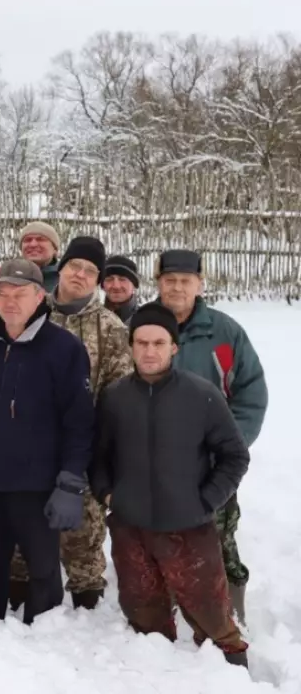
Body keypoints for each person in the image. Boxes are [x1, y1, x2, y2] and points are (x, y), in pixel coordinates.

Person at [92, 303, 250, 667]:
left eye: (158, 343)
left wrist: (206, 500)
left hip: (189, 526)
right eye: (142, 342)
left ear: (173, 347)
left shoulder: (202, 395)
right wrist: (108, 493)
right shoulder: (114, 397)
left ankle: (233, 678)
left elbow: (234, 456)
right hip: (132, 526)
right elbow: (98, 456)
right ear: (131, 345)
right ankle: (158, 674)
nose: (149, 351)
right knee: (141, 609)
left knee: (211, 611)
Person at [0, 259, 94, 624]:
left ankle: (43, 637)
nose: (10, 301)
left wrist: (70, 481)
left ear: (39, 296)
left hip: (38, 486)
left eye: (19, 293)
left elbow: (79, 422)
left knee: (42, 569)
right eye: (2, 293)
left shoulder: (64, 349)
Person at [10, 236, 132, 612]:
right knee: (21, 533)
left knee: (82, 535)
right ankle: (17, 592)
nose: (80, 275)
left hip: (81, 450)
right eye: (74, 266)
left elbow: (118, 397)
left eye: (90, 271)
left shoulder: (110, 329)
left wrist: (101, 456)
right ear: (60, 268)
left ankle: (85, 601)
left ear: (97, 280)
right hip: (26, 447)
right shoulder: (30, 313)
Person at [155, 248, 267, 623]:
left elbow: (251, 393)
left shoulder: (224, 332)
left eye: (185, 281)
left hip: (212, 463)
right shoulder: (143, 325)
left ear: (199, 284)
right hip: (154, 461)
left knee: (218, 537)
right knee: (157, 535)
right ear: (158, 283)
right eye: (169, 280)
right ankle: (163, 607)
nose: (177, 288)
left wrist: (228, 448)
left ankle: (228, 613)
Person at [19, 222, 61, 294]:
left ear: (54, 249)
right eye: (28, 240)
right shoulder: (8, 278)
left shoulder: (65, 280)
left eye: (40, 239)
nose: (33, 244)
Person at [103, 255, 140, 325]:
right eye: (109, 279)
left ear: (134, 285)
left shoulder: (145, 320)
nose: (116, 286)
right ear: (103, 286)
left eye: (122, 279)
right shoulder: (91, 319)